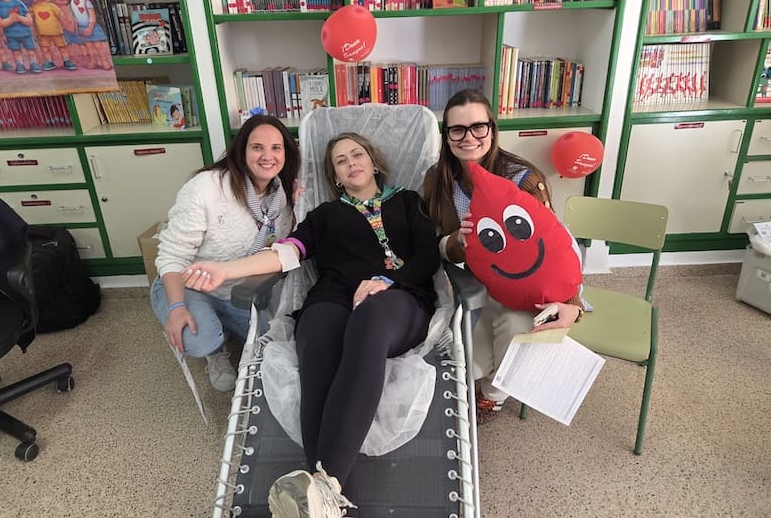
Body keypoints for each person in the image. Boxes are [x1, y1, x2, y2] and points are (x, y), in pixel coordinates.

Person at [183, 132, 440, 517]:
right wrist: (226, 270)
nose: (351, 162)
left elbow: (428, 256)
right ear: (335, 176)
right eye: (340, 160)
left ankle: (324, 482)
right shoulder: (324, 216)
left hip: (398, 299)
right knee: (317, 350)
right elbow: (286, 254)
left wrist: (389, 282)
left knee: (369, 316)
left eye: (358, 154)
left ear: (373, 161)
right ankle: (328, 502)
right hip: (332, 299)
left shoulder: (409, 202)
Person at [423, 88, 584, 422]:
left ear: (492, 130)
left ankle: (494, 396)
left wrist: (574, 307)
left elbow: (554, 250)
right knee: (468, 359)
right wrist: (457, 241)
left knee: (515, 327)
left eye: (478, 127)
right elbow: (433, 242)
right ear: (446, 135)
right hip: (468, 283)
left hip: (523, 291)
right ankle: (495, 378)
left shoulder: (523, 180)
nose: (469, 138)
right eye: (457, 129)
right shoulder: (437, 180)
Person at [150, 114, 299, 392]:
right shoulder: (207, 187)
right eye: (257, 147)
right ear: (241, 151)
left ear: (286, 154)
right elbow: (171, 255)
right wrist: (177, 307)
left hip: (241, 291)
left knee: (279, 346)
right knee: (201, 338)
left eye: (276, 148)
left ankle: (225, 322)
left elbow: (289, 250)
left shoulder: (285, 197)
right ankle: (215, 351)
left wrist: (301, 206)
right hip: (191, 285)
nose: (268, 156)